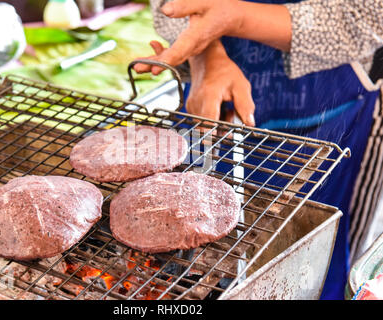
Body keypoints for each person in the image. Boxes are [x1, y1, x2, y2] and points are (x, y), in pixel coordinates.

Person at [135, 0, 383, 299]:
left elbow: (372, 15)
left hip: (331, 110)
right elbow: (168, 6)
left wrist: (235, 19)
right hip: (213, 95)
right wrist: (206, 56)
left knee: (314, 259)